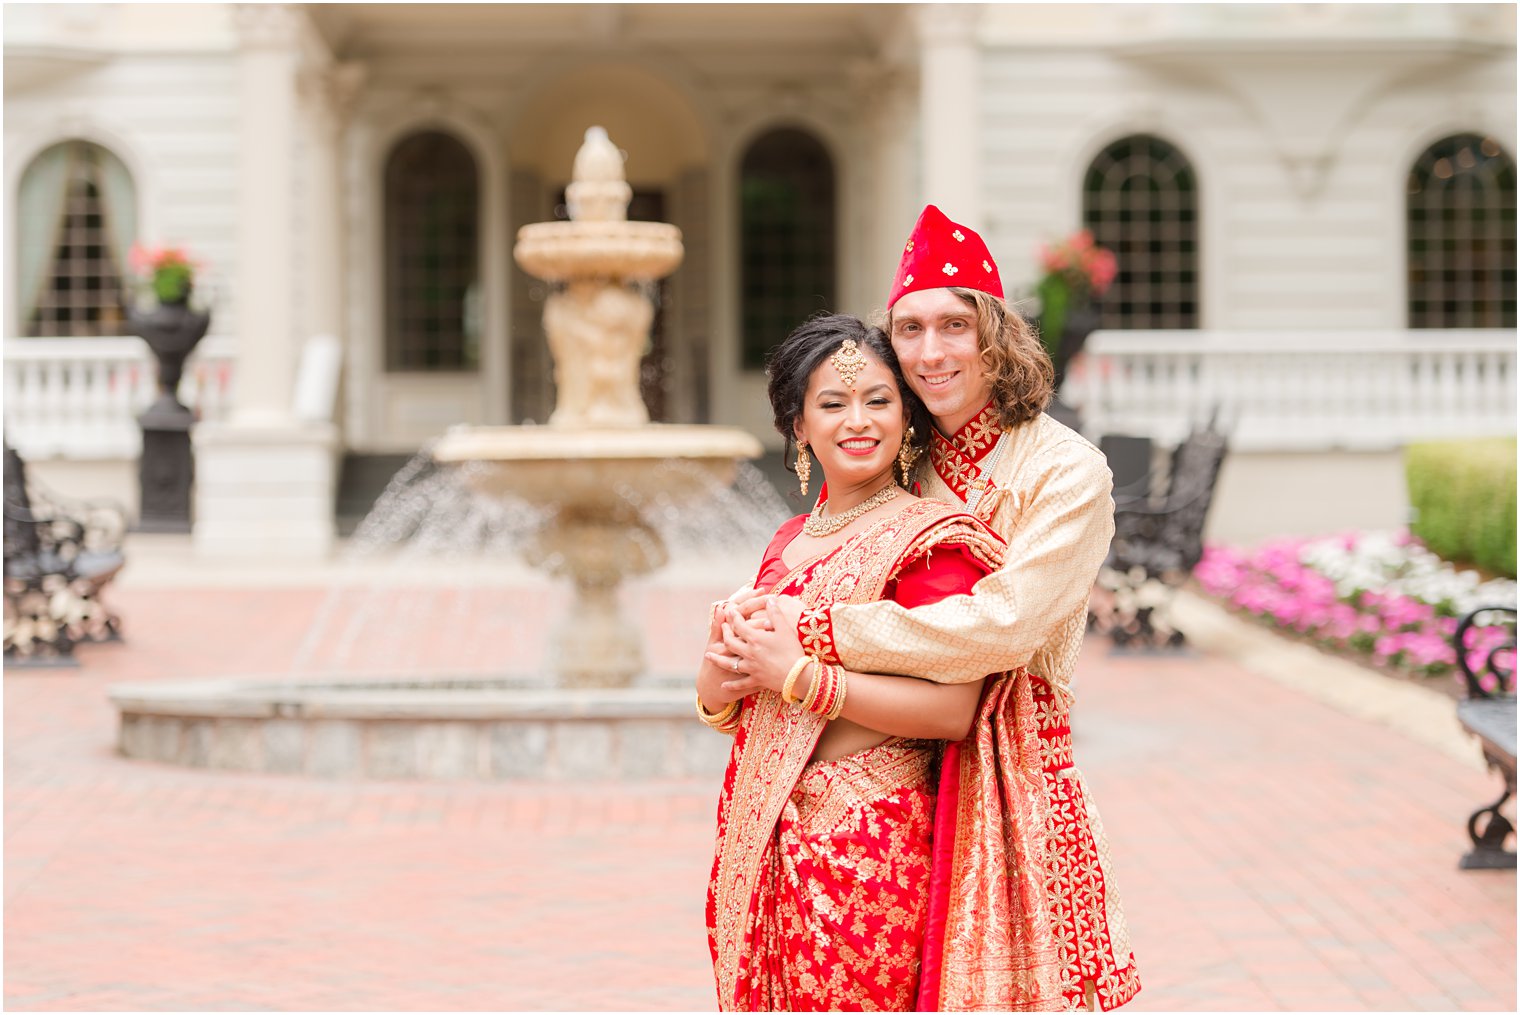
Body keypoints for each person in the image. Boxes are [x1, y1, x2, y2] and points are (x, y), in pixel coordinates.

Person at [718, 205, 1141, 1011]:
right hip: (889, 775)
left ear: (996, 334)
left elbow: (1004, 623)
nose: (931, 351)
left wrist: (815, 632)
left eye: (954, 325)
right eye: (909, 329)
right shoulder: (908, 451)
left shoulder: (1063, 471)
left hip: (1005, 764)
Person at [697, 313, 1055, 1011]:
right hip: (766, 836)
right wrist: (717, 675)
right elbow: (734, 697)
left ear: (907, 416)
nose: (857, 420)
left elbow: (953, 711)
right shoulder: (788, 539)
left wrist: (800, 675)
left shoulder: (930, 543)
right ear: (798, 426)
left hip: (869, 853)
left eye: (878, 400)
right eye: (832, 403)